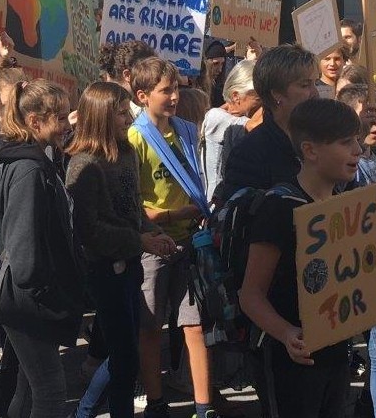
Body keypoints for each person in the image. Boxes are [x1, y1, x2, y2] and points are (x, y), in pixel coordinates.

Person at [239, 98, 362, 417]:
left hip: (335, 354)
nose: (358, 150)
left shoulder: (346, 205)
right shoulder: (279, 208)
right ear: (310, 151)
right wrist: (286, 333)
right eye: (346, 142)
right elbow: (250, 295)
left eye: (357, 140)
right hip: (287, 359)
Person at [66, 82, 177, 418]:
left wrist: (151, 230)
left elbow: (132, 208)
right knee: (126, 356)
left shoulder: (126, 152)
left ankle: (85, 412)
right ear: (101, 115)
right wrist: (139, 240)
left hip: (130, 265)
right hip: (104, 271)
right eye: (119, 112)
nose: (128, 117)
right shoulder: (83, 164)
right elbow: (90, 230)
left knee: (124, 354)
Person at [127, 57, 224, 418]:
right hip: (154, 245)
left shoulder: (185, 129)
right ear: (142, 95)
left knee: (195, 325)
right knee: (150, 327)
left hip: (189, 241)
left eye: (176, 89)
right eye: (164, 91)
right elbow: (133, 206)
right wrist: (171, 216)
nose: (173, 97)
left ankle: (204, 405)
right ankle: (155, 401)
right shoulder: (135, 138)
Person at [0, 79, 85, 418]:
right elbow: (23, 244)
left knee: (29, 387)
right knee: (49, 390)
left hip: (26, 296)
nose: (66, 125)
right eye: (59, 118)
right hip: (27, 300)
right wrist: (44, 289)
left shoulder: (35, 160)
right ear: (34, 122)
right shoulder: (29, 168)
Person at [216, 45, 319, 206]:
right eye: (305, 85)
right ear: (276, 93)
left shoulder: (322, 138)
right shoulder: (249, 153)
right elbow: (241, 217)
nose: (315, 93)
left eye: (315, 83)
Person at [202, 60, 260, 201]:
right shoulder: (215, 117)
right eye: (259, 96)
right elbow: (253, 126)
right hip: (217, 206)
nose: (263, 102)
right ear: (236, 96)